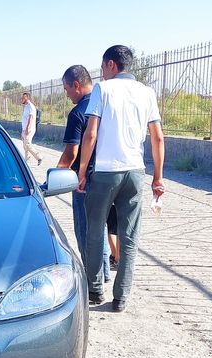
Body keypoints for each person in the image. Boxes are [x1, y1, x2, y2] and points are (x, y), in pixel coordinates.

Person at [77, 45, 165, 312]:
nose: (102, 72)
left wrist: (82, 171)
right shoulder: (147, 93)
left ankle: (94, 290)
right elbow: (158, 137)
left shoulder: (104, 90)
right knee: (129, 236)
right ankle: (121, 297)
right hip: (135, 172)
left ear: (112, 65)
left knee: (95, 231)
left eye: (103, 67)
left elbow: (91, 134)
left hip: (105, 171)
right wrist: (158, 178)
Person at [56, 65, 113, 284]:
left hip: (84, 182)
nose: (66, 93)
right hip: (108, 177)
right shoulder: (105, 106)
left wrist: (56, 176)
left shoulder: (79, 112)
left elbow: (72, 152)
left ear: (76, 85)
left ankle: (92, 281)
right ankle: (105, 274)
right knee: (101, 228)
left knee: (86, 232)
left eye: (66, 88)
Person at [20, 92, 42, 166]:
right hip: (24, 129)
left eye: (24, 97)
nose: (22, 99)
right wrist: (23, 130)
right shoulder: (26, 106)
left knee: (28, 145)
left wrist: (27, 129)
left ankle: (39, 157)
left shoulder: (31, 106)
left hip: (29, 129)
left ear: (27, 98)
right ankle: (27, 162)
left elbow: (31, 118)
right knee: (25, 146)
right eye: (22, 97)